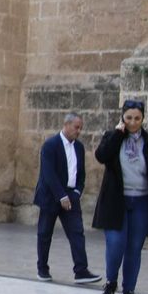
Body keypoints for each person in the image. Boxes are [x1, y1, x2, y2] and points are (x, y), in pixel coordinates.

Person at [92, 99, 148, 294]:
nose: (133, 123)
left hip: (142, 202)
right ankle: (110, 282)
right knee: (116, 243)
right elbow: (102, 156)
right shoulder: (112, 137)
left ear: (143, 118)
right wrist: (118, 134)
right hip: (116, 201)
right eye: (129, 118)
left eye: (137, 118)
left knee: (134, 248)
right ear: (122, 117)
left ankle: (128, 293)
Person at [33, 113, 102, 284]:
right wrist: (61, 195)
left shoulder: (79, 147)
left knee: (77, 232)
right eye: (76, 127)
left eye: (80, 128)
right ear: (66, 125)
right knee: (44, 233)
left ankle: (81, 270)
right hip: (51, 196)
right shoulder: (50, 145)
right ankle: (42, 269)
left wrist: (77, 192)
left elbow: (81, 174)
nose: (79, 131)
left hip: (71, 196)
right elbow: (48, 174)